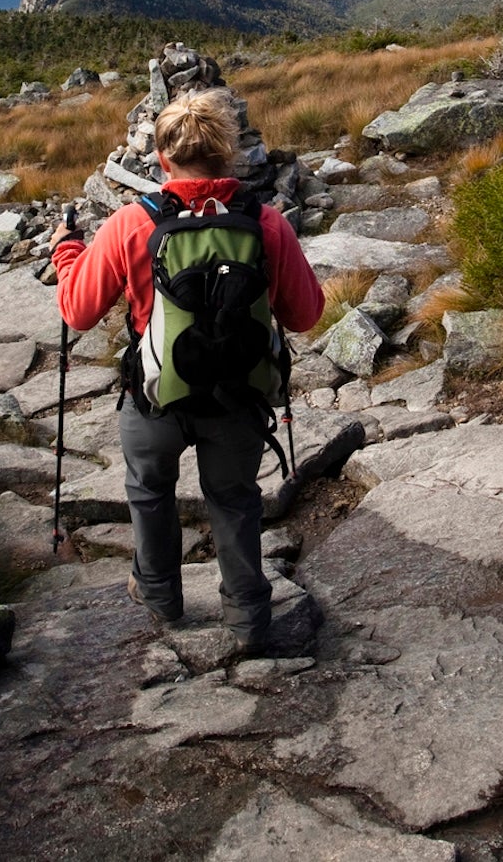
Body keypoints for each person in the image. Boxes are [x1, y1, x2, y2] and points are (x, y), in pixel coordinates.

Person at [50, 88, 323, 651]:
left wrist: (66, 251)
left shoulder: (131, 224)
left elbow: (77, 311)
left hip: (156, 397)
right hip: (239, 396)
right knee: (235, 499)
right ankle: (248, 619)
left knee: (149, 490)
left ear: (162, 159)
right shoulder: (265, 223)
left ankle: (159, 594)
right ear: (228, 154)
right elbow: (306, 314)